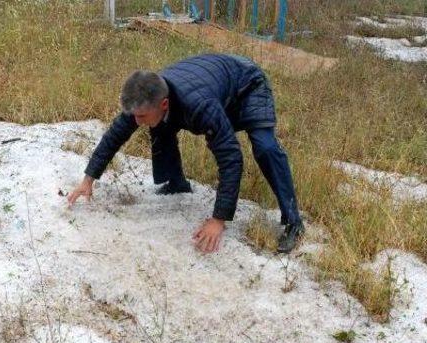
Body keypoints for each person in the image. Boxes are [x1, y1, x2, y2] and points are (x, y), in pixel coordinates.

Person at [67, 53, 304, 254]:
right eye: (134, 116)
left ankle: (293, 221)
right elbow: (115, 136)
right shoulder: (148, 97)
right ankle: (176, 183)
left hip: (247, 83)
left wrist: (218, 219)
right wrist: (88, 179)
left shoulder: (200, 106)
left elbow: (230, 157)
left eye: (141, 116)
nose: (136, 122)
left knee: (265, 147)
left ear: (163, 104)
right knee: (159, 126)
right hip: (213, 80)